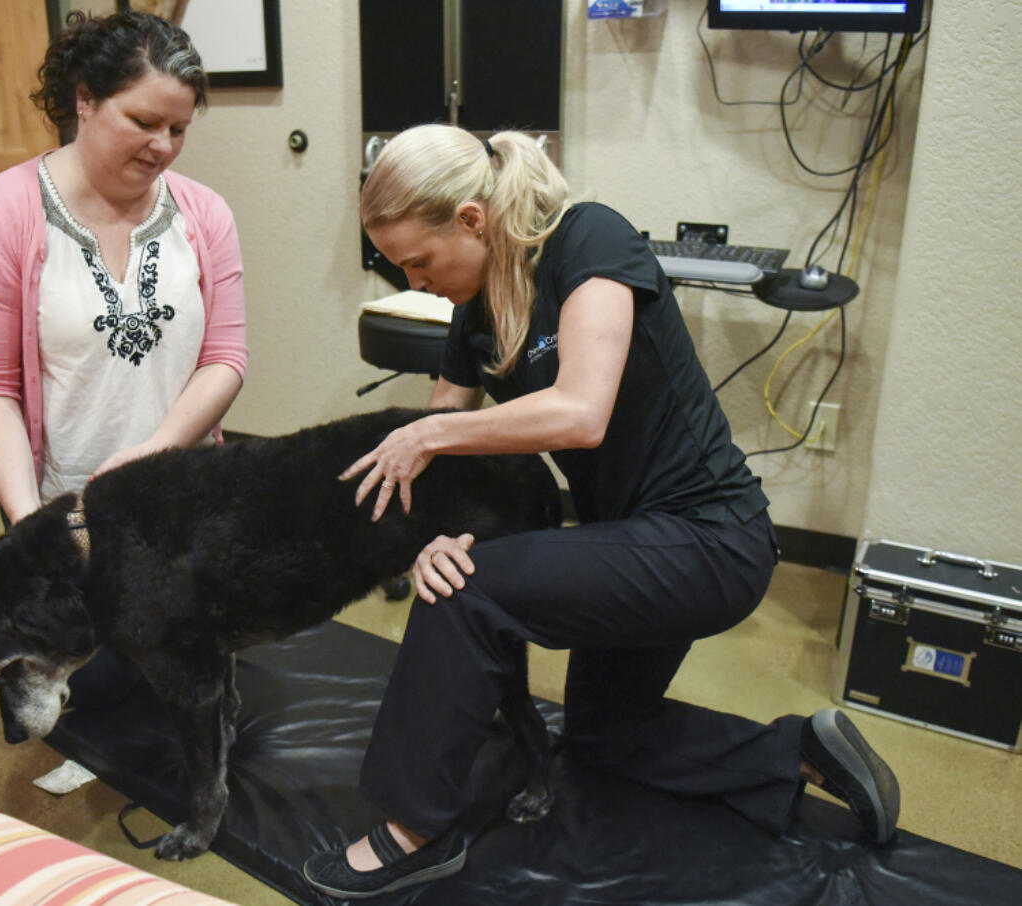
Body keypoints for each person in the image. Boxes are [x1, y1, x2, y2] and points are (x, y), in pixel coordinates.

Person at [302, 124, 899, 899]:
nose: (414, 279)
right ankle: (799, 754)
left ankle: (412, 830)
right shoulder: (473, 315)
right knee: (601, 735)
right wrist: (438, 534)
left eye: (419, 260)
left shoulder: (588, 239)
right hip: (628, 541)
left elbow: (580, 410)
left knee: (468, 594)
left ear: (474, 222)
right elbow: (444, 466)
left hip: (710, 539)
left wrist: (430, 434)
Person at [0, 9, 247, 530]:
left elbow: (224, 358)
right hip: (63, 504)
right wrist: (28, 524)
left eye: (178, 129)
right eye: (144, 123)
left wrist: (153, 452)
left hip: (185, 482)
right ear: (84, 100)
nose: (164, 147)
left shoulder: (205, 213)